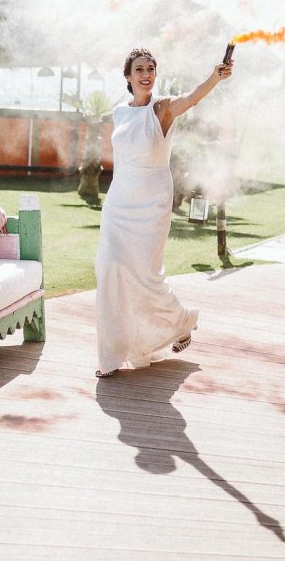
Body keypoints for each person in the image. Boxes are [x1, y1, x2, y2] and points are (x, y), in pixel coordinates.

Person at [95, 47, 233, 378]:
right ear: (127, 76)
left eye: (151, 68)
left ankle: (181, 322)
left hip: (153, 201)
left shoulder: (163, 109)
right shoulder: (118, 113)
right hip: (119, 202)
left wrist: (215, 77)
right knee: (109, 268)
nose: (146, 74)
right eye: (139, 68)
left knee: (146, 276)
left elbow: (192, 98)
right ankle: (110, 356)